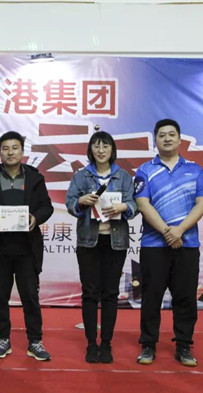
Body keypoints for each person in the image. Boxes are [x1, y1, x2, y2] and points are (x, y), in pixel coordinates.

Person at [0, 131, 54, 361]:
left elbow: (46, 206)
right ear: (0, 152)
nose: (10, 152)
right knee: (0, 297)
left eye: (15, 148)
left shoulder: (35, 177)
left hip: (27, 248)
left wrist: (36, 218)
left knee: (30, 297)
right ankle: (3, 339)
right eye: (5, 148)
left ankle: (35, 341)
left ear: (22, 151)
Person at [134, 119, 203, 367]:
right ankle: (148, 344)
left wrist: (180, 230)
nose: (167, 139)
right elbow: (143, 204)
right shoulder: (145, 170)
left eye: (171, 134)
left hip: (187, 245)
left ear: (179, 139)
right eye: (162, 135)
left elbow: (202, 204)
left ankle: (184, 345)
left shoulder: (195, 170)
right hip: (154, 246)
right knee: (151, 297)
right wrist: (167, 232)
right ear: (155, 140)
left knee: (185, 297)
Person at [66, 131, 137, 363]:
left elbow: (134, 204)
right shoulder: (81, 176)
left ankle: (106, 343)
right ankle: (90, 343)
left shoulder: (123, 176)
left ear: (112, 150)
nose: (101, 150)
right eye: (96, 146)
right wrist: (81, 201)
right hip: (88, 241)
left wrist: (124, 207)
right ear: (90, 150)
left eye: (105, 145)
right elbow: (70, 202)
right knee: (89, 293)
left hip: (115, 242)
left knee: (110, 293)